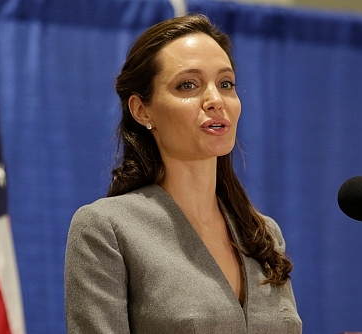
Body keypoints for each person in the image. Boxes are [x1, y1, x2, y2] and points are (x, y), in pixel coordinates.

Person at [64, 14, 302, 333]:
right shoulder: (107, 229)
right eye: (187, 85)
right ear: (141, 110)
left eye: (226, 84)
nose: (216, 100)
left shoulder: (264, 233)